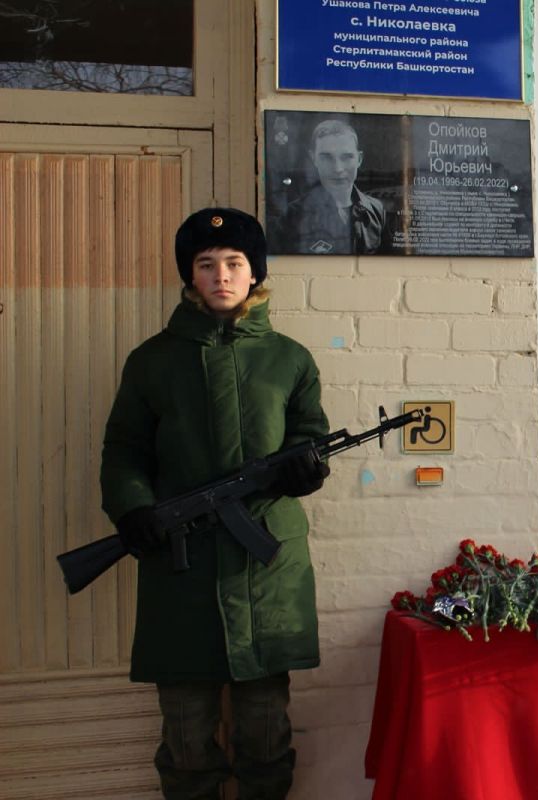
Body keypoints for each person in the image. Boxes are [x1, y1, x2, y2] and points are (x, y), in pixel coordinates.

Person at [101, 207, 332, 799]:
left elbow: (310, 434)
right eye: (207, 265)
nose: (221, 276)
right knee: (185, 738)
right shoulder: (152, 360)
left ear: (254, 273)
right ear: (191, 276)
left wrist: (306, 468)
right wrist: (134, 511)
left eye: (234, 264)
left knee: (264, 733)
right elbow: (124, 450)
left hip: (266, 569)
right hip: (181, 568)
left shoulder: (290, 358)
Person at [283, 119, 385, 255]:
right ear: (314, 158)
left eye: (346, 157)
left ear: (359, 159)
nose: (337, 168)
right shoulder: (292, 216)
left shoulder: (376, 211)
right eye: (326, 158)